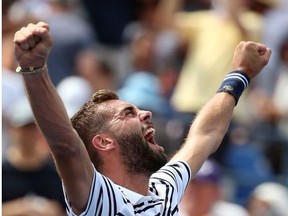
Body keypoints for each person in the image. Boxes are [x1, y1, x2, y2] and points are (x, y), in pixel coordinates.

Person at [13, 22, 271, 215]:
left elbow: (206, 134)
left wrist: (239, 74)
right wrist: (34, 69)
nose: (146, 113)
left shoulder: (164, 188)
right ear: (103, 142)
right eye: (128, 113)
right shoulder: (98, 198)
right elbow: (65, 144)